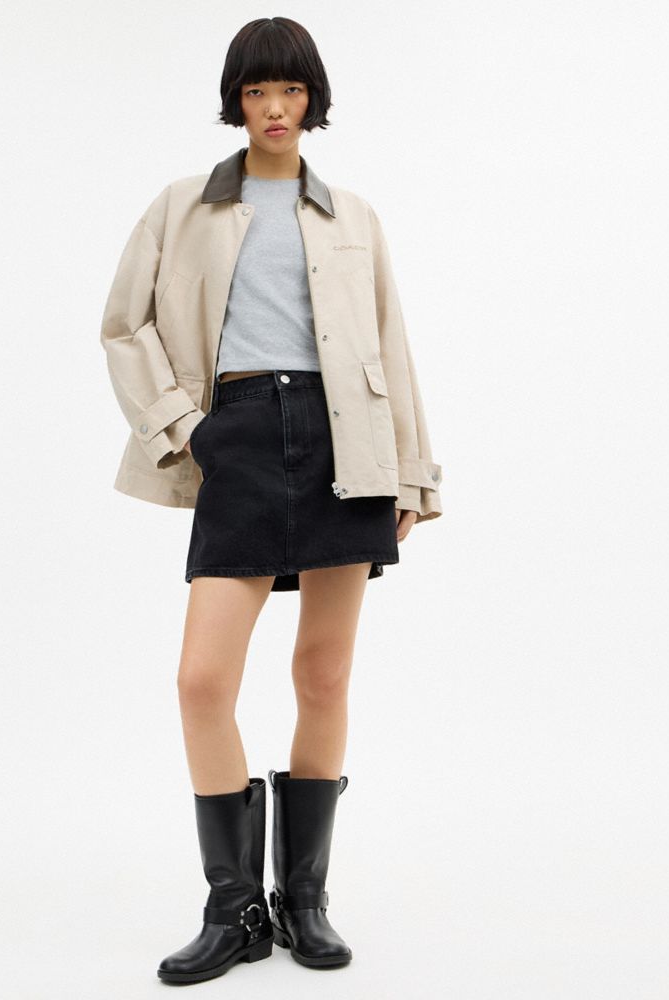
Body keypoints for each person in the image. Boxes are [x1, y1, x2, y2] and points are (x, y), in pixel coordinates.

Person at [99, 16, 444, 985]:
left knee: (323, 675)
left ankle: (304, 900)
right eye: (257, 92)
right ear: (236, 101)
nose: (275, 108)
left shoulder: (354, 216)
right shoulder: (182, 205)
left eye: (290, 91)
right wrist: (185, 428)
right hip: (239, 434)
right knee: (202, 680)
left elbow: (391, 342)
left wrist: (412, 472)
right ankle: (233, 908)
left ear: (312, 100)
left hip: (347, 442)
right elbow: (123, 326)